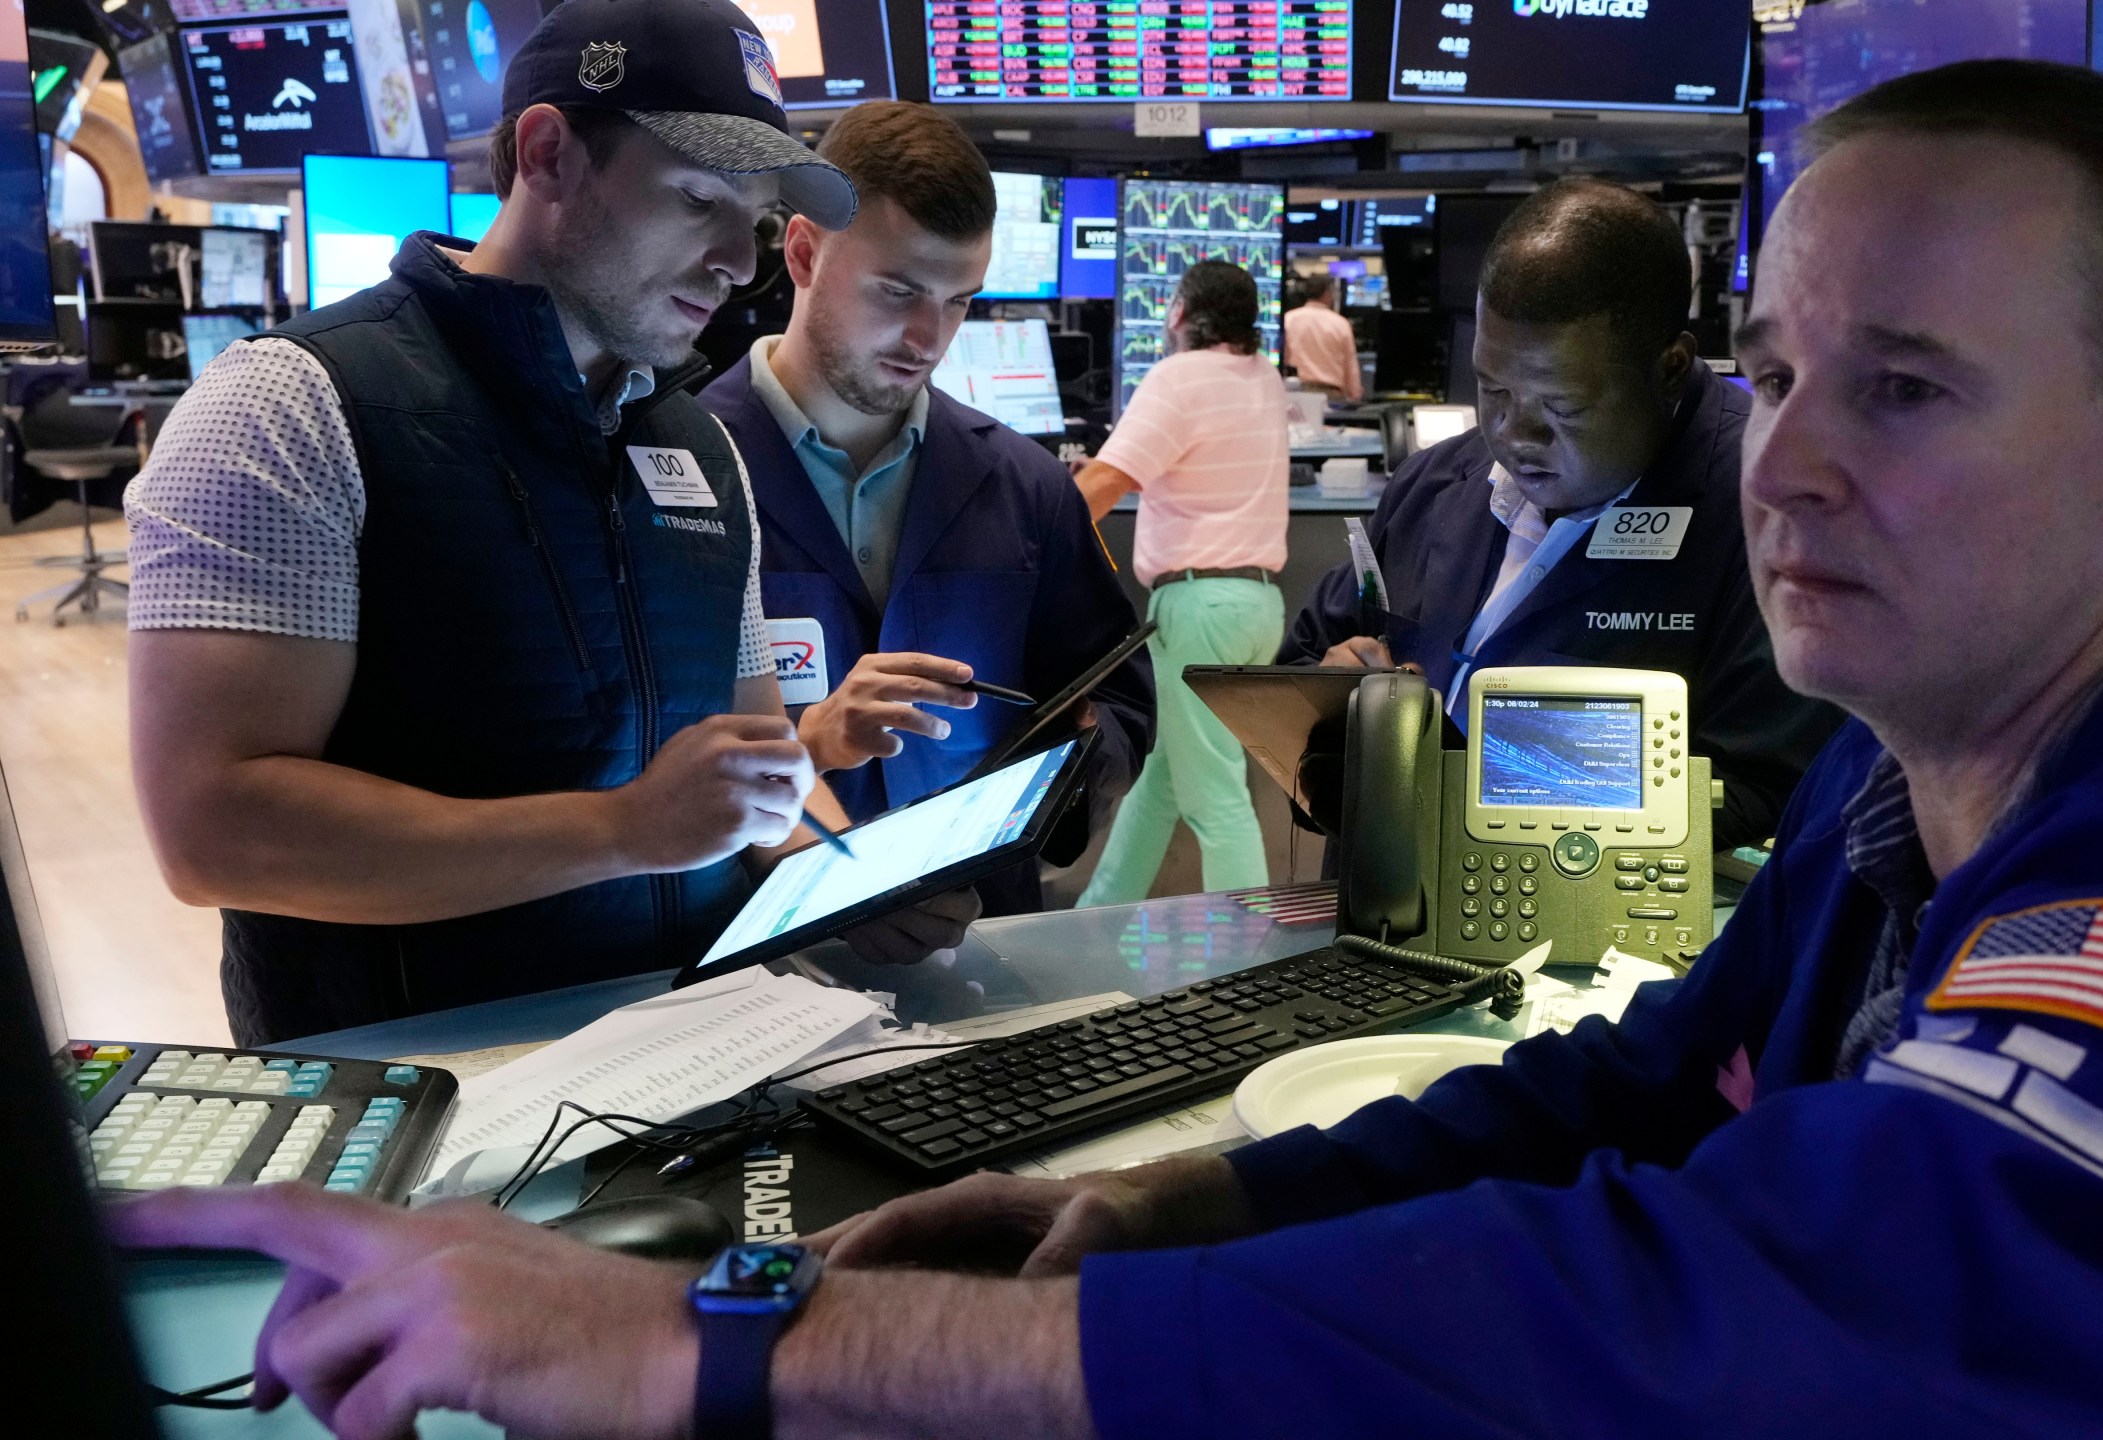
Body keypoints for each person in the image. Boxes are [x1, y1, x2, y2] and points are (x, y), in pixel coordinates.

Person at [115, 60, 2103, 1436]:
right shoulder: (1894, 793)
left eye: (1904, 390)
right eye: (1785, 369)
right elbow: (1605, 1099)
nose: (1788, 462)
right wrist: (1200, 1206)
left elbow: (1688, 1327)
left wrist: (713, 1340)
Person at [116, 0, 967, 1048]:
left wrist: (840, 884)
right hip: (422, 1098)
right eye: (699, 198)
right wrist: (619, 830)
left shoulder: (702, 451)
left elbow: (747, 782)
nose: (736, 264)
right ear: (549, 152)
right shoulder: (294, 406)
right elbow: (214, 831)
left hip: (692, 1062)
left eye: (750, 222)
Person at [694, 101, 1153, 918]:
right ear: (802, 252)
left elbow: (1120, 703)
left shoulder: (1025, 486)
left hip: (980, 943)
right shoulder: (681, 473)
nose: (927, 336)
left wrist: (1073, 754)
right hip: (749, 964)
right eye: (898, 290)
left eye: (958, 301)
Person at [1282, 179, 1834, 845]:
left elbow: (1772, 794)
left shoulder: (1774, 516)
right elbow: (1303, 670)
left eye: (1561, 408)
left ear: (1670, 369)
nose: (1515, 434)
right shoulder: (1437, 482)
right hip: (1379, 925)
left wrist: (1456, 776)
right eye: (1493, 389)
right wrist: (1338, 704)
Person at [1070, 261, 1291, 905]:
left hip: (1198, 608)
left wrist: (1038, 539)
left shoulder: (1177, 377)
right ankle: (1095, 919)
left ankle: (1247, 961)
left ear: (1178, 314)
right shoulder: (1265, 377)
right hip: (1253, 607)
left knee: (1216, 798)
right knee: (1162, 780)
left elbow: (1103, 488)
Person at [1281, 270, 1362, 402]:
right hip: (1331, 396)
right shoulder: (1340, 324)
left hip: (1294, 393)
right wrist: (1354, 394)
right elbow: (1350, 365)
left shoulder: (1288, 319)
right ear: (1327, 294)